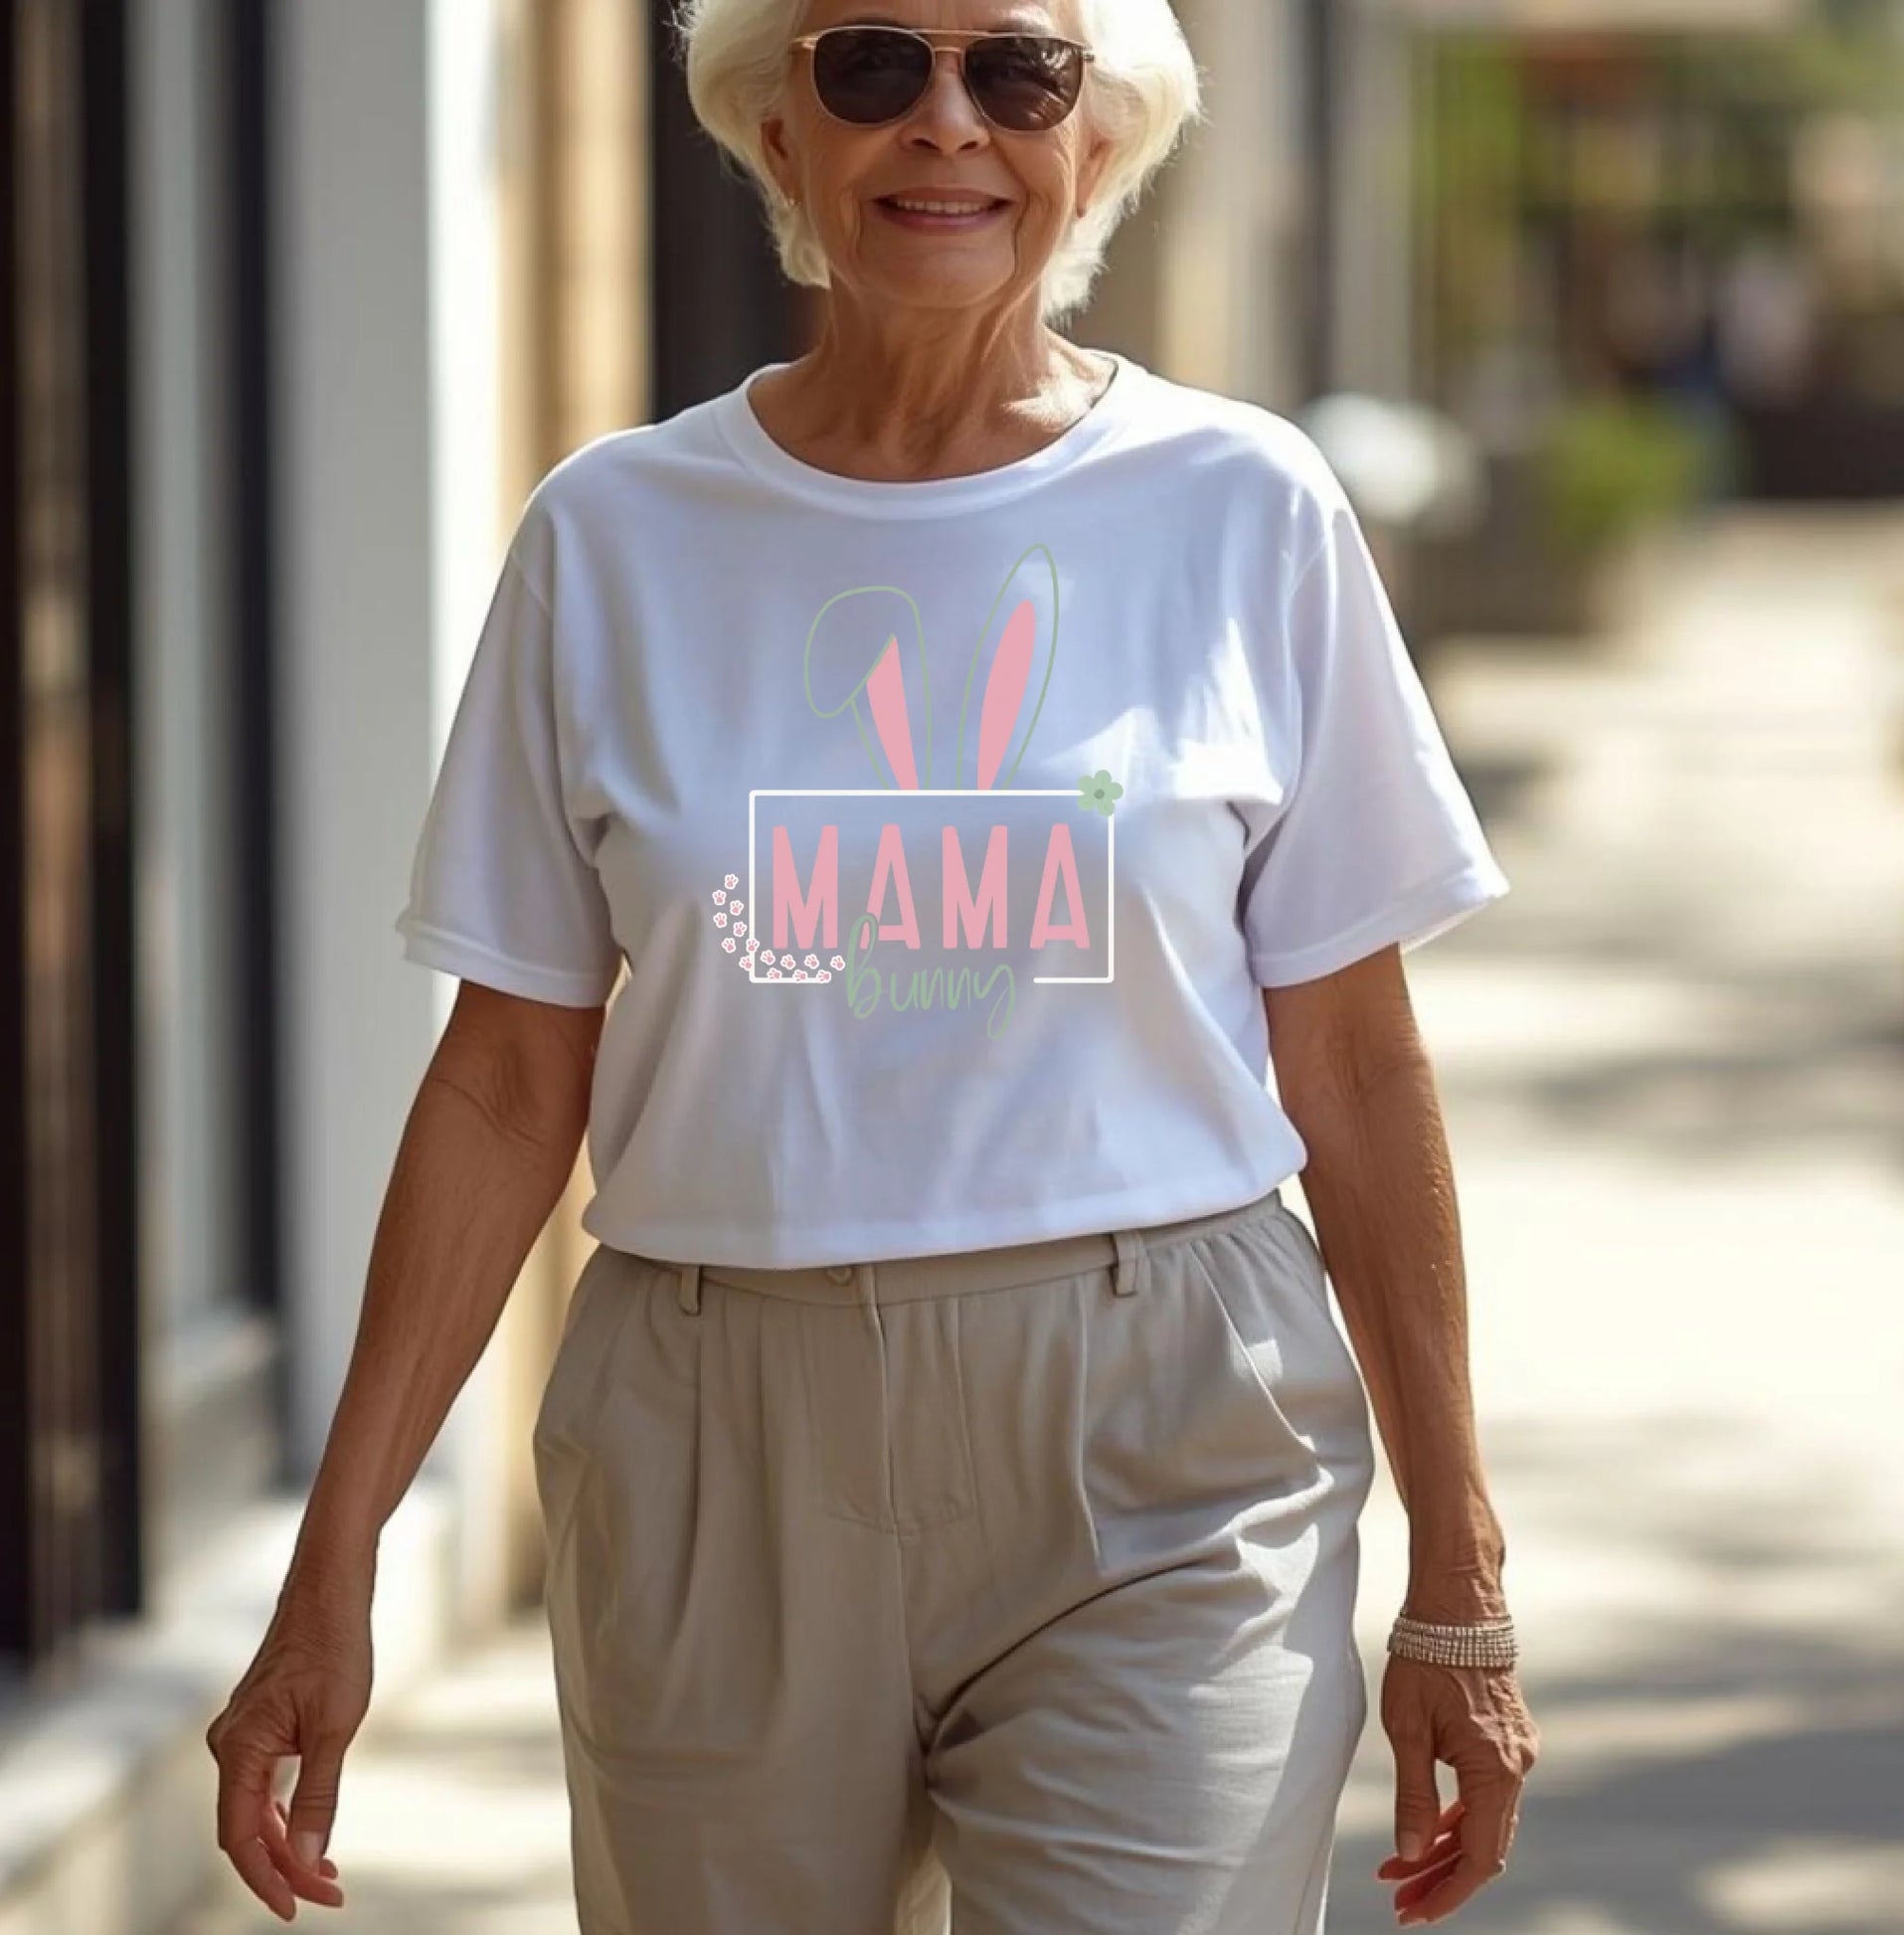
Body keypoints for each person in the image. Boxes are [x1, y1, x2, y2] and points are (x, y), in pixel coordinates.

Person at [204, 1, 1540, 1929]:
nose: (946, 126)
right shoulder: (613, 536)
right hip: (709, 1437)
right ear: (771, 128)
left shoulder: (1245, 513)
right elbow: (506, 1078)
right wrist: (331, 1567)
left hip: (1162, 1429)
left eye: (1016, 71)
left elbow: (1353, 1066)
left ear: (1098, 139)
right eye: (870, 67)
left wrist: (1461, 1577)